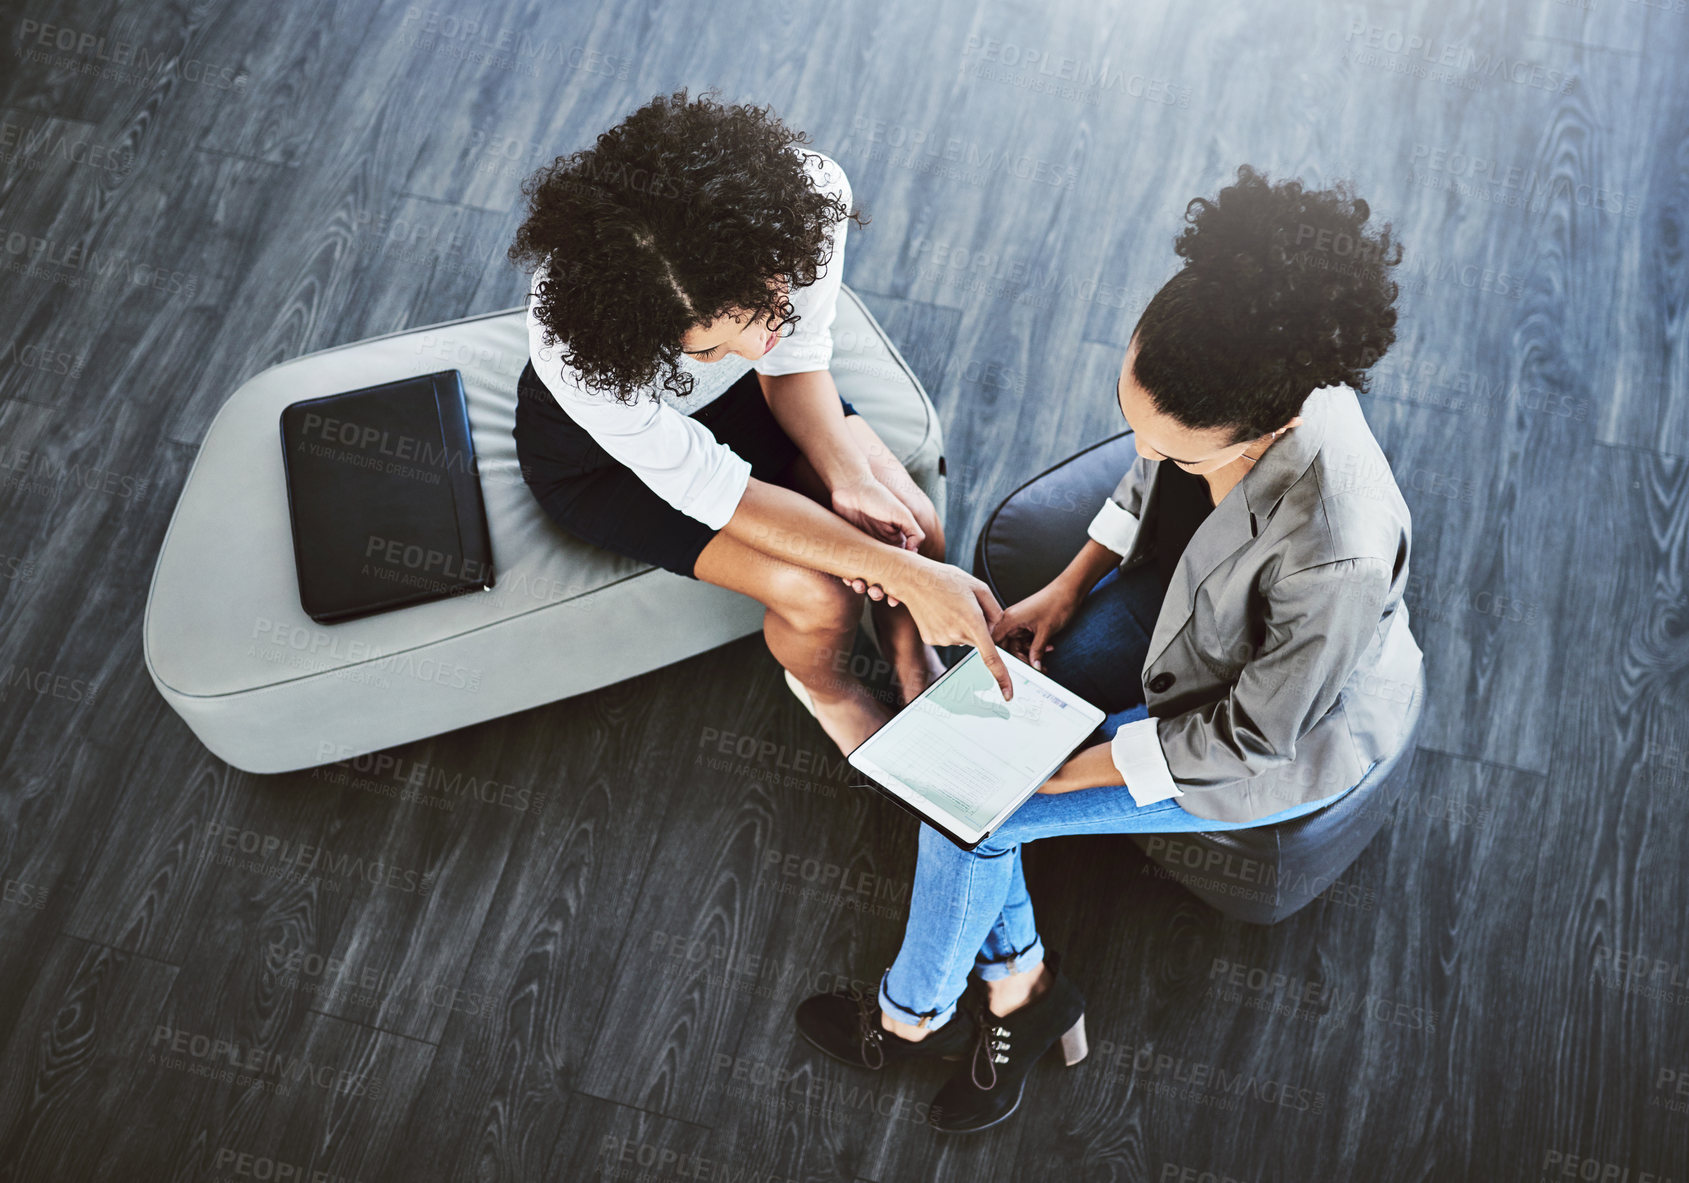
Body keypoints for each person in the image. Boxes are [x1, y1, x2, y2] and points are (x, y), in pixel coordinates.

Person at [796, 165, 1425, 1134]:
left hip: (1257, 731)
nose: (1144, 447)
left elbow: (1245, 738)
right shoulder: (1223, 373)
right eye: (1134, 418)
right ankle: (1024, 994)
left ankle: (910, 1015)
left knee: (984, 809)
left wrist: (1060, 773)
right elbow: (1149, 474)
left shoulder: (1336, 545)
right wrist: (1069, 581)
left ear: (1268, 424)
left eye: (1171, 443)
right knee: (981, 758)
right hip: (1179, 604)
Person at [507, 89, 1013, 755]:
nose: (751, 344)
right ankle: (828, 690)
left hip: (751, 401)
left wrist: (850, 478)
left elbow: (791, 362)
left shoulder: (806, 198)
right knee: (819, 597)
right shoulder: (577, 347)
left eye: (767, 308)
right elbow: (717, 491)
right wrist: (902, 575)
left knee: (915, 522)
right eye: (710, 346)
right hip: (611, 464)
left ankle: (912, 659)